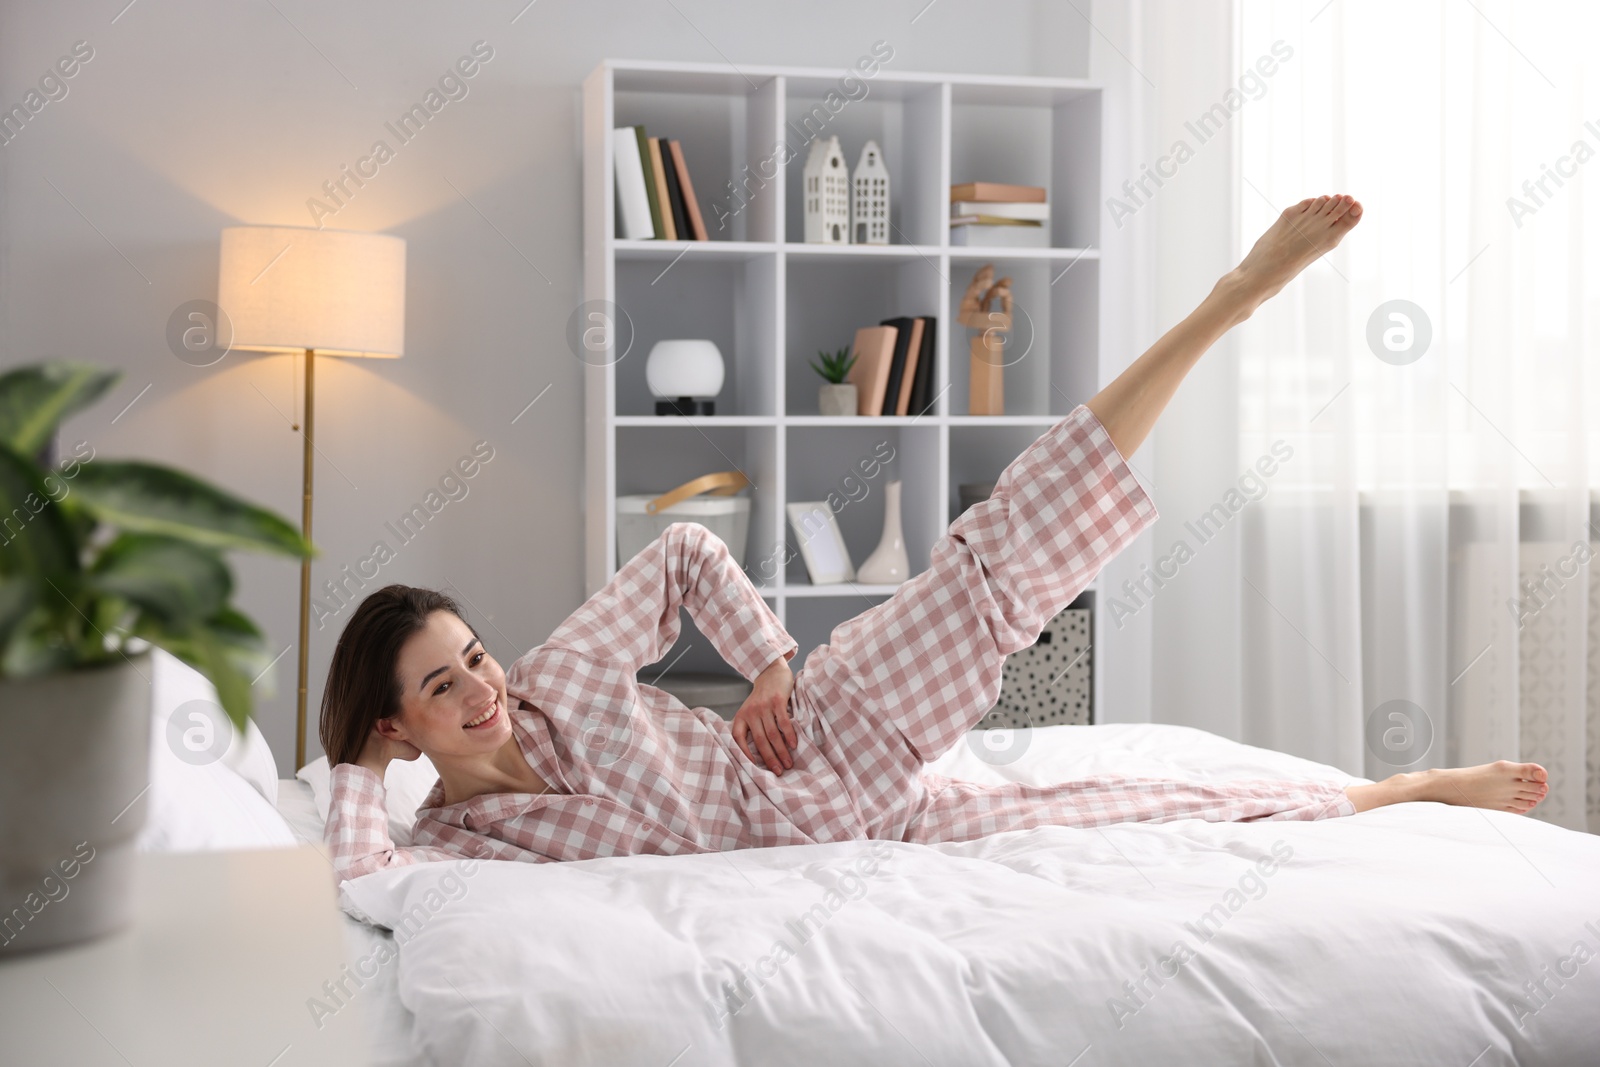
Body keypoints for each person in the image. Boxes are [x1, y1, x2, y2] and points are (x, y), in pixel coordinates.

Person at [321, 194, 1548, 881]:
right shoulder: (453, 836)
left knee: (1002, 557)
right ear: (394, 722)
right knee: (1119, 807)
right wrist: (361, 771)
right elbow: (358, 877)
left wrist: (770, 663)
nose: (482, 685)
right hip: (866, 828)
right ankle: (1383, 790)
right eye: (441, 684)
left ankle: (1225, 302)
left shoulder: (560, 676)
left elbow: (686, 557)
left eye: (472, 653)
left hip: (826, 735)